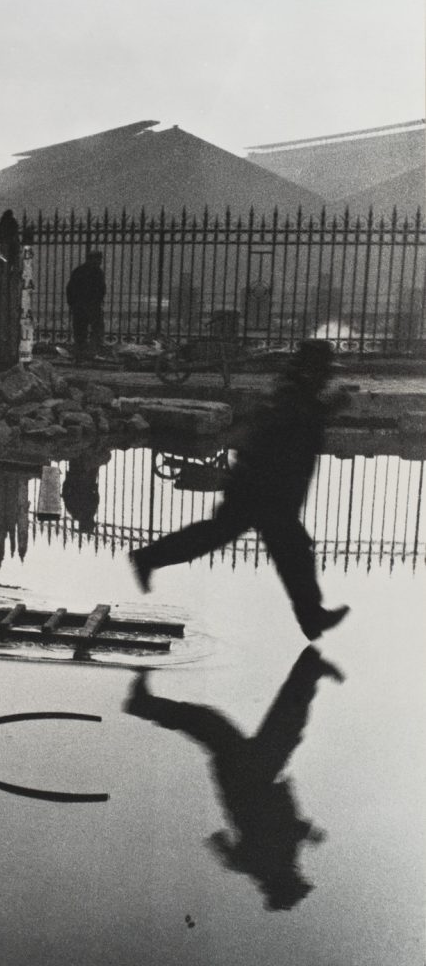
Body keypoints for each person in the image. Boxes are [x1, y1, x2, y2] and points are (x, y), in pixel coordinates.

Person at [129, 339, 349, 640]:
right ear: (313, 371)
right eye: (324, 371)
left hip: (264, 489)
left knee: (247, 541)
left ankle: (312, 617)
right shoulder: (292, 394)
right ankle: (311, 617)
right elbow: (285, 427)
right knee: (290, 550)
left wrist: (323, 407)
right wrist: (325, 407)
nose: (327, 377)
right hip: (263, 490)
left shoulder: (294, 390)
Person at [124, 646, 344, 910]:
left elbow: (273, 835)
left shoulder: (267, 864)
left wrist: (307, 833)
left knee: (262, 726)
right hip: (252, 777)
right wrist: (304, 834)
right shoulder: (271, 863)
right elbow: (235, 845)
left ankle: (310, 668)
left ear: (285, 882)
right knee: (259, 726)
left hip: (248, 779)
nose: (300, 875)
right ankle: (144, 704)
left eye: (297, 881)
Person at [66, 251, 106, 359]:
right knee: (96, 330)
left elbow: (70, 288)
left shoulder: (78, 271)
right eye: (99, 259)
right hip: (92, 306)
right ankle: (92, 353)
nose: (100, 262)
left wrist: (72, 303)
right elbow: (101, 289)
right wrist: (98, 301)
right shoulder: (98, 272)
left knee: (80, 331)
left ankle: (80, 353)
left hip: (79, 306)